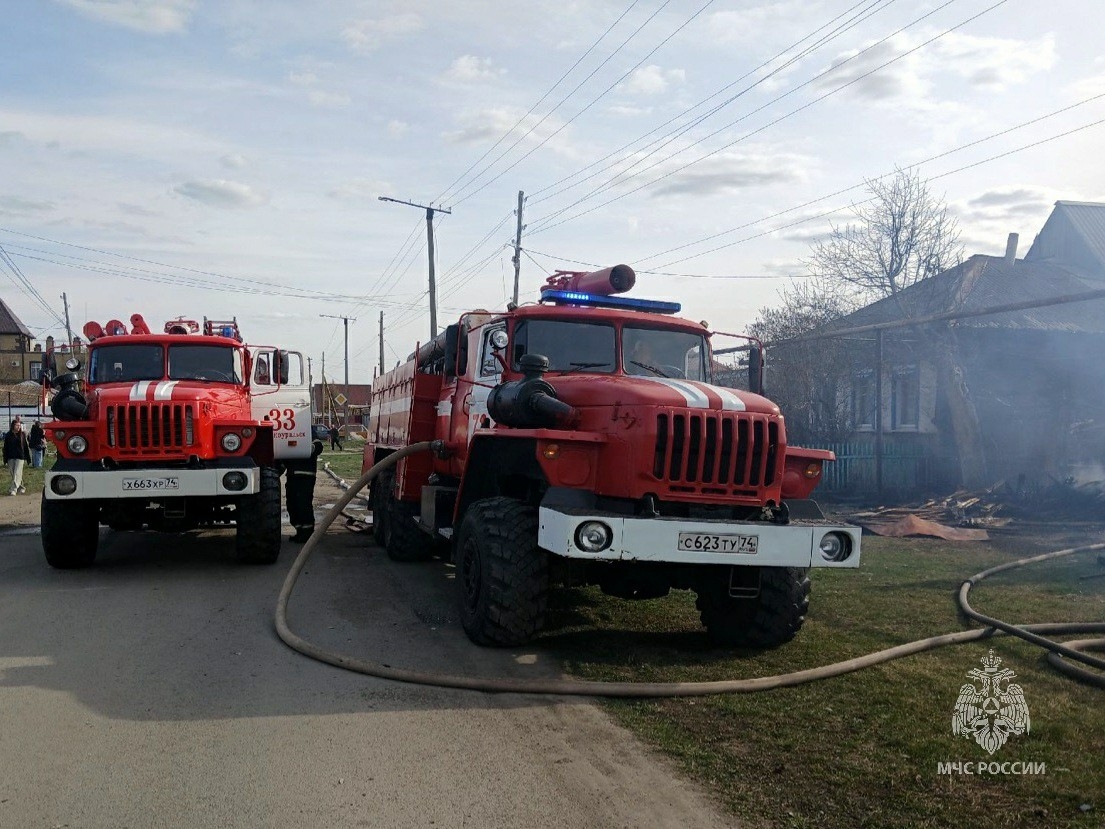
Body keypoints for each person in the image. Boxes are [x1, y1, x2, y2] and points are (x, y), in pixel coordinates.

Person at [281, 437, 324, 543]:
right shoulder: (288, 434)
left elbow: (318, 446)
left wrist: (310, 448)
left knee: (303, 504)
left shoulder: (308, 432)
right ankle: (300, 530)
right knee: (292, 503)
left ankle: (307, 533)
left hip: (306, 475)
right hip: (292, 475)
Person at [3, 420, 31, 495]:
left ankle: (13, 490)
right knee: (14, 474)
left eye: (19, 425)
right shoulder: (8, 435)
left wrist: (28, 458)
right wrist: (5, 459)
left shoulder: (22, 435)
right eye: (17, 425)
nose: (18, 427)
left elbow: (25, 447)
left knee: (17, 473)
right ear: (13, 426)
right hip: (10, 457)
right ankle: (21, 488)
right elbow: (5, 447)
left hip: (20, 457)